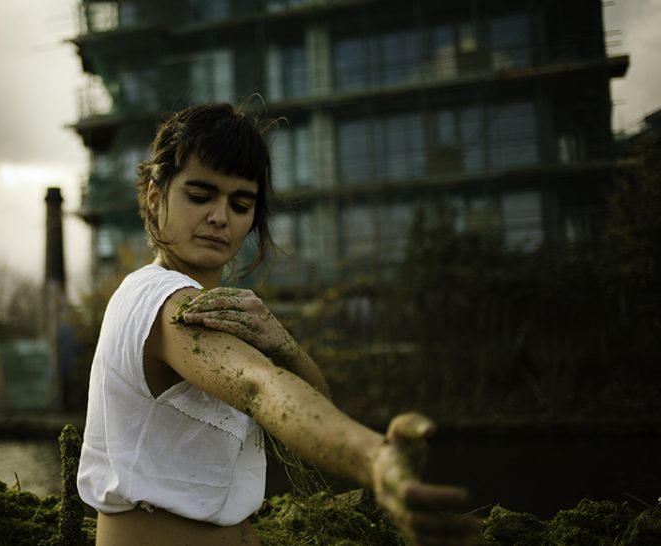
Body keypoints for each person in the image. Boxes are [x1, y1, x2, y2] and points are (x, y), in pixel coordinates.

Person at [77, 103, 479, 546]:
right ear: (156, 195)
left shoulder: (218, 308)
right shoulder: (159, 300)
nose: (220, 216)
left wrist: (285, 346)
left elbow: (310, 401)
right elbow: (258, 388)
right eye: (199, 195)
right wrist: (376, 461)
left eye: (240, 203)